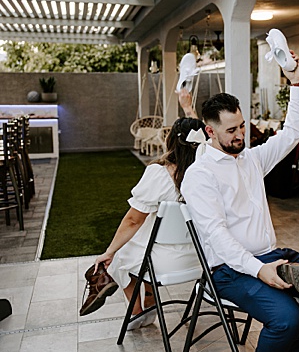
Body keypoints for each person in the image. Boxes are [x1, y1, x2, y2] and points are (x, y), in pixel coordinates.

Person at [181, 51, 299, 352]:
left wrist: (297, 82)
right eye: (231, 130)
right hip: (228, 270)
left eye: (241, 126)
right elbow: (217, 236)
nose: (240, 135)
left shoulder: (251, 159)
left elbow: (291, 134)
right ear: (210, 131)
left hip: (273, 253)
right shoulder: (200, 175)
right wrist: (259, 271)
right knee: (287, 319)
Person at [81, 117, 207, 331]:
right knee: (143, 242)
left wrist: (109, 251)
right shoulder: (211, 175)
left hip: (164, 263)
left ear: (172, 142)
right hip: (200, 259)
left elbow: (132, 220)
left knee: (120, 255)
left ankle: (136, 309)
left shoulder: (160, 174)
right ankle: (149, 301)